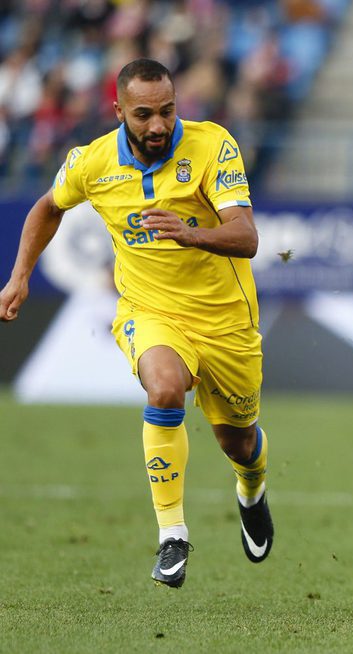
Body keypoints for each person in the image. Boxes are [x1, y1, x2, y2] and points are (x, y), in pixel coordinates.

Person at [0, 58, 274, 589]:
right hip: (150, 311)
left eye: (168, 111)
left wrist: (189, 233)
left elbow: (247, 236)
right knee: (166, 389)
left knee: (237, 442)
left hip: (225, 321)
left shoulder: (213, 145)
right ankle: (172, 534)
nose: (158, 125)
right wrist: (18, 277)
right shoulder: (93, 161)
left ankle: (252, 487)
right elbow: (47, 208)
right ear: (119, 110)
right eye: (144, 114)